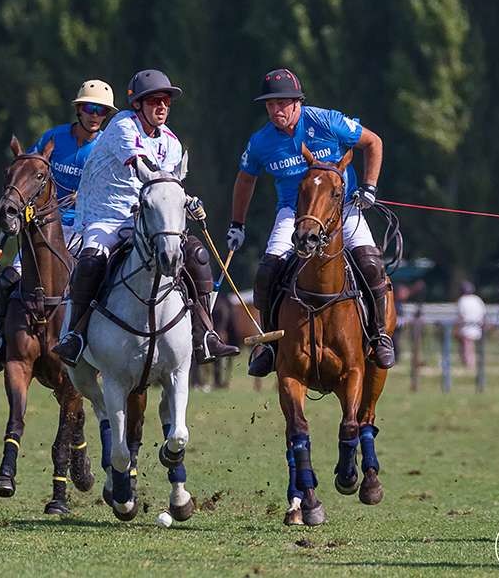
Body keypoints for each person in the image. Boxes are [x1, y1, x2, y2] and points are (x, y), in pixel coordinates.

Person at [52, 69, 239, 366]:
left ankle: (205, 334)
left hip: (147, 218)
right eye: (153, 101)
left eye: (166, 101)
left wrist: (188, 202)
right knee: (91, 259)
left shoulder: (173, 143)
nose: (162, 107)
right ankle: (74, 334)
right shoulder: (122, 126)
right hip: (106, 215)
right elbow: (145, 169)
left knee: (197, 254)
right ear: (137, 105)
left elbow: (168, 186)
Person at [226, 68, 394, 377]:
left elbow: (373, 142)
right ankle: (270, 345)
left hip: (341, 208)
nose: (276, 111)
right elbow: (245, 179)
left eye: (282, 103)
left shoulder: (326, 121)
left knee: (370, 263)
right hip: (294, 213)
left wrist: (369, 187)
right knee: (268, 270)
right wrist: (237, 224)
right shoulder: (261, 142)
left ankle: (379, 333)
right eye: (270, 105)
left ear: (297, 102)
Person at [0, 79, 117, 375]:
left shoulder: (106, 147)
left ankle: (95, 343)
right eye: (90, 108)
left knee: (97, 279)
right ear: (79, 110)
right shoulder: (54, 137)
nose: (95, 115)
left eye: (101, 111)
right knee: (7, 279)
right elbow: (28, 168)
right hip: (43, 226)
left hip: (84, 227)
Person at [456, 281, 486, 372]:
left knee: (467, 346)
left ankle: (469, 365)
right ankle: (469, 363)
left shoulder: (462, 300)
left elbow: (461, 315)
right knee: (469, 346)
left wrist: (457, 327)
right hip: (476, 326)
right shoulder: (477, 299)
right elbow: (483, 313)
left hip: (466, 326)